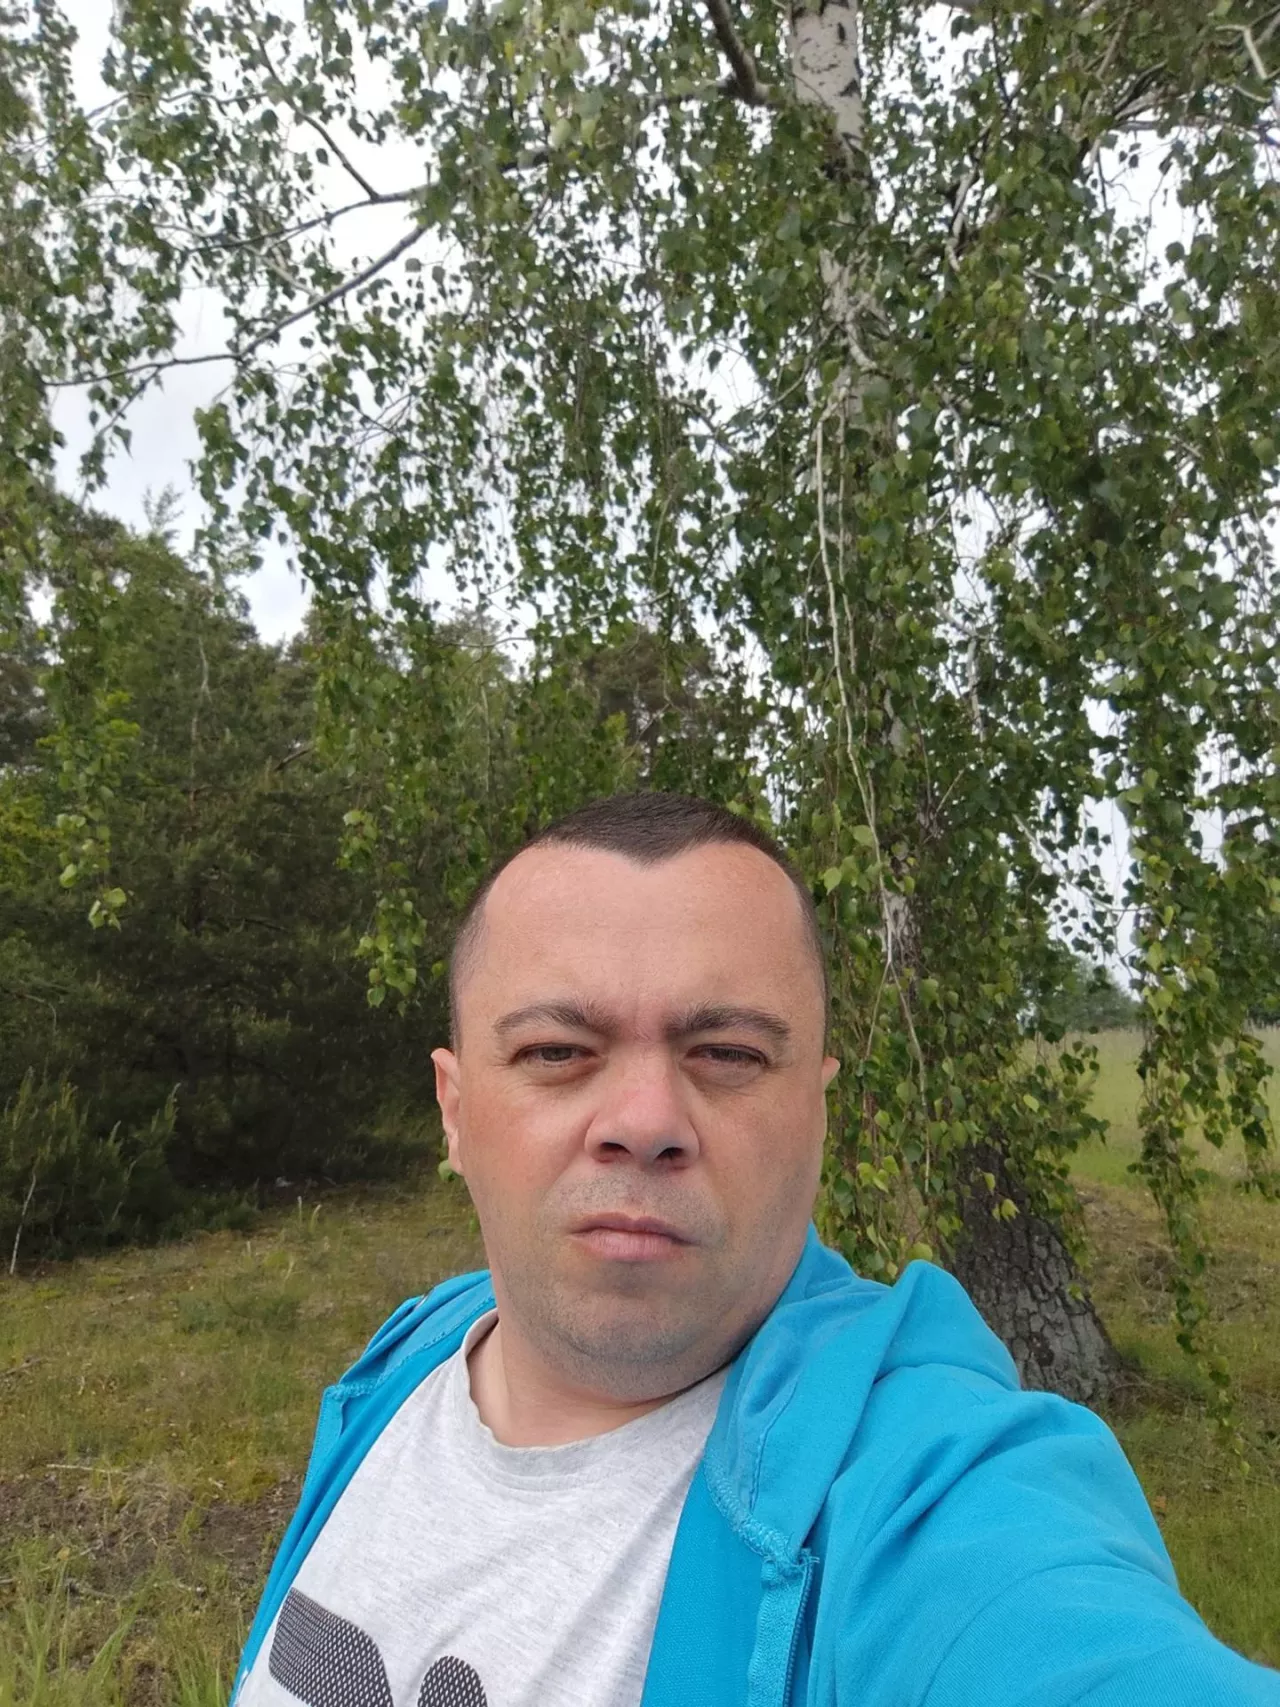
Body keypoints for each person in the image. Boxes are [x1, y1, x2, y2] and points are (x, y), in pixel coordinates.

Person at [232, 792, 1279, 1707]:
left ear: (817, 1111)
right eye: (556, 1050)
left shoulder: (923, 1484)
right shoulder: (406, 1360)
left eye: (727, 1053)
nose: (645, 1120)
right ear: (455, 1111)